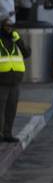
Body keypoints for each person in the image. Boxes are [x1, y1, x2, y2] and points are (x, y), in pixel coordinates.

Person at [0, 16, 30, 144]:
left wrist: (18, 40)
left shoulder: (15, 40)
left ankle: (8, 133)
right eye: (6, 26)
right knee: (0, 109)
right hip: (2, 81)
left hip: (15, 81)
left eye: (11, 26)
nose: (9, 29)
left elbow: (27, 53)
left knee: (11, 109)